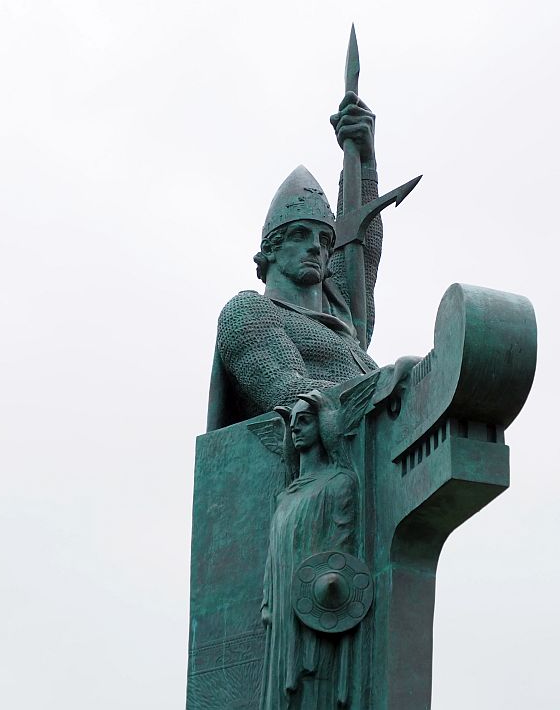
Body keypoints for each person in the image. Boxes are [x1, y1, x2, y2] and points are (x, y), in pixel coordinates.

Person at [207, 92, 382, 429]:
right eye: (300, 234)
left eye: (323, 239)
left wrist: (364, 161)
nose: (316, 247)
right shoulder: (248, 312)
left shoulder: (343, 324)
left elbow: (363, 252)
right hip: (307, 466)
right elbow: (290, 391)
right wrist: (388, 391)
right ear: (270, 249)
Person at [260, 391, 359, 709]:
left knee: (314, 683)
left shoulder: (340, 483)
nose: (295, 429)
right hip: (283, 609)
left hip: (318, 606)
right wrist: (267, 600)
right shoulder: (285, 496)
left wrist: (327, 588)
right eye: (292, 424)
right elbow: (274, 553)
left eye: (304, 421)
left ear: (324, 425)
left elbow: (342, 548)